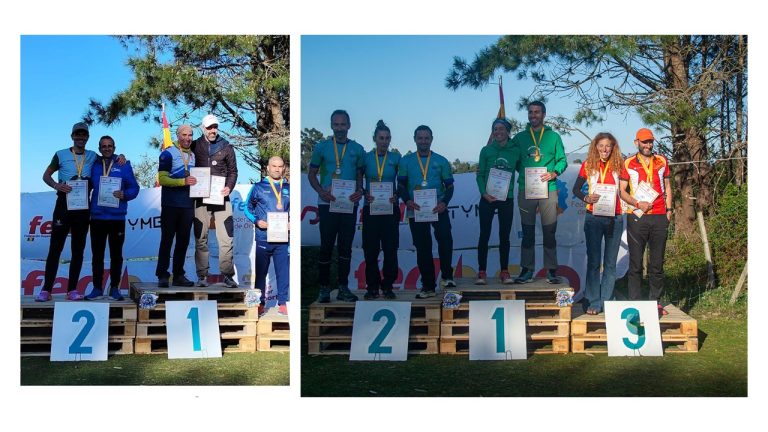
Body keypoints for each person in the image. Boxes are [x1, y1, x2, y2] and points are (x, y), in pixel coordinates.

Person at [35, 122, 98, 301]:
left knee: (78, 250)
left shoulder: (92, 155)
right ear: (72, 136)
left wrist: (121, 157)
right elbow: (46, 175)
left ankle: (72, 290)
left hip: (83, 207)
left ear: (87, 137)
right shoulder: (60, 154)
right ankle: (46, 290)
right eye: (77, 134)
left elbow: (109, 158)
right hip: (64, 204)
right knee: (55, 248)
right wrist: (56, 185)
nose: (80, 137)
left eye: (83, 135)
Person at [308, 110, 365, 303]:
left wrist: (360, 190)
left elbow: (359, 175)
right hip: (327, 203)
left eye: (343, 124)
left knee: (345, 247)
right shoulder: (322, 147)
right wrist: (321, 191)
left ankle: (343, 288)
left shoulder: (357, 149)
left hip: (348, 204)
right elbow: (312, 174)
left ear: (349, 125)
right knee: (326, 246)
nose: (339, 128)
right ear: (331, 125)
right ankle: (324, 288)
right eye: (336, 125)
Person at [619, 128, 673, 316]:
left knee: (657, 263)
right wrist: (637, 203)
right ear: (637, 143)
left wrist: (669, 210)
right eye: (644, 142)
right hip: (637, 216)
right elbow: (622, 191)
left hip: (659, 216)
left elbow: (667, 186)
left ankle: (655, 302)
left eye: (650, 141)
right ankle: (635, 302)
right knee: (635, 263)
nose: (648, 145)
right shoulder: (628, 163)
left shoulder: (662, 161)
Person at [512, 101, 567, 284]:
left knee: (549, 231)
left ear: (544, 114)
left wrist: (554, 173)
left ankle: (551, 270)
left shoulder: (554, 136)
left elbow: (562, 160)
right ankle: (527, 270)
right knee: (527, 232)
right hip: (526, 189)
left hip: (548, 189)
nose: (533, 115)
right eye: (530, 112)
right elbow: (513, 159)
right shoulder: (519, 138)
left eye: (537, 112)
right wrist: (526, 175)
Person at [397, 125, 455, 298]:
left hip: (438, 207)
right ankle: (428, 286)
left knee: (445, 239)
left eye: (426, 138)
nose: (423, 141)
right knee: (423, 247)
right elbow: (401, 185)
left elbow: (450, 186)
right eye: (420, 138)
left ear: (431, 139)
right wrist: (407, 200)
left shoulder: (441, 160)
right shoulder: (406, 161)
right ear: (415, 139)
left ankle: (447, 277)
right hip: (416, 209)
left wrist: (444, 202)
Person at [571, 133, 624, 315]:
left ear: (613, 147)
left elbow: (627, 190)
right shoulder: (588, 165)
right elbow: (576, 189)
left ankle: (606, 301)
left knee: (610, 263)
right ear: (595, 147)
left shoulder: (620, 165)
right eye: (601, 145)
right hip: (593, 216)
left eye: (608, 146)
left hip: (615, 217)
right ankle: (593, 301)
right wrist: (586, 197)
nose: (604, 149)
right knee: (594, 262)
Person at [85, 136, 140, 301]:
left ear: (114, 148)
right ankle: (97, 288)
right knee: (97, 255)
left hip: (116, 218)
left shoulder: (123, 164)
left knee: (116, 255)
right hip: (97, 217)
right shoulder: (94, 164)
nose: (107, 148)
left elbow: (134, 188)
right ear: (99, 149)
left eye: (110, 146)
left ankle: (115, 288)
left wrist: (125, 194)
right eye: (104, 146)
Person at [191, 114, 239, 288]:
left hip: (221, 197)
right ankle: (202, 276)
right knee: (200, 238)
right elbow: (179, 153)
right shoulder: (194, 145)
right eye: (209, 127)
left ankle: (227, 275)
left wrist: (229, 187)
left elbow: (233, 171)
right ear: (203, 128)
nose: (213, 130)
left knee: (226, 238)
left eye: (215, 127)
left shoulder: (226, 146)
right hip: (200, 197)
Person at [475, 118, 519, 285]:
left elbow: (523, 169)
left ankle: (505, 271)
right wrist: (483, 193)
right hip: (487, 198)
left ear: (508, 131)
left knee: (504, 236)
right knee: (484, 235)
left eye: (501, 129)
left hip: (506, 198)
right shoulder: (486, 150)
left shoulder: (515, 151)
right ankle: (481, 272)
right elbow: (480, 175)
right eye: (495, 129)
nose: (498, 132)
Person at [245, 156, 290, 316]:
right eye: (274, 166)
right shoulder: (258, 187)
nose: (277, 169)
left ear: (283, 168)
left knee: (283, 273)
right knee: (261, 273)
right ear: (268, 168)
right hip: (263, 237)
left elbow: (293, 210)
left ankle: (283, 303)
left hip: (282, 239)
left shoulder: (289, 187)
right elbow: (247, 208)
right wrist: (257, 221)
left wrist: (291, 222)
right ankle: (259, 304)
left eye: (280, 166)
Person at [361, 120, 401, 299]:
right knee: (370, 250)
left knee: (390, 249)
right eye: (381, 138)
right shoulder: (366, 158)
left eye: (387, 138)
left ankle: (388, 286)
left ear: (390, 139)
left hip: (390, 209)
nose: (384, 142)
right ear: (374, 139)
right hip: (371, 208)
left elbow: (403, 181)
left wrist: (397, 195)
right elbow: (357, 179)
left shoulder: (396, 158)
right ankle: (372, 287)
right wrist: (364, 193)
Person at [155, 124, 197, 288]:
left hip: (188, 204)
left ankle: (179, 274)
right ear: (178, 135)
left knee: (183, 241)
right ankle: (162, 275)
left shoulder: (193, 155)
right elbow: (162, 179)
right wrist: (182, 182)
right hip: (170, 204)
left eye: (190, 135)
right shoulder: (168, 153)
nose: (187, 138)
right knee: (167, 240)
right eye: (184, 135)